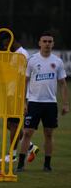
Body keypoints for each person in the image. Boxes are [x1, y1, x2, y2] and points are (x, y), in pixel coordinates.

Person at [16, 31, 69, 172]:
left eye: (49, 41)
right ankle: (21, 165)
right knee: (27, 132)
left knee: (49, 133)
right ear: (39, 43)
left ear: (53, 44)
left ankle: (47, 165)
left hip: (50, 103)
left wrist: (65, 104)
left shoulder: (57, 62)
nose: (47, 44)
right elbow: (24, 82)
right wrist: (24, 102)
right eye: (44, 41)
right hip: (34, 102)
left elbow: (63, 84)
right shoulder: (32, 60)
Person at [0, 33, 39, 163]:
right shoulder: (15, 55)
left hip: (18, 94)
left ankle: (13, 155)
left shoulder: (23, 55)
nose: (5, 48)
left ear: (12, 41)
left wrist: (23, 97)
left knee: (14, 124)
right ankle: (31, 146)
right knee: (9, 125)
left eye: (6, 45)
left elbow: (23, 77)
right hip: (11, 92)